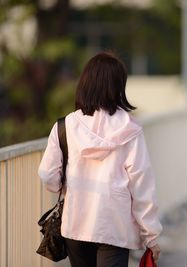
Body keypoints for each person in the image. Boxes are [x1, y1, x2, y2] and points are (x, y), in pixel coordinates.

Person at [38, 51, 162, 266]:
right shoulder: (130, 130)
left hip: (76, 222)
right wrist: (151, 235)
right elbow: (142, 184)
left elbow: (47, 174)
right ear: (118, 87)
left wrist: (62, 185)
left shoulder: (65, 126)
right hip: (115, 225)